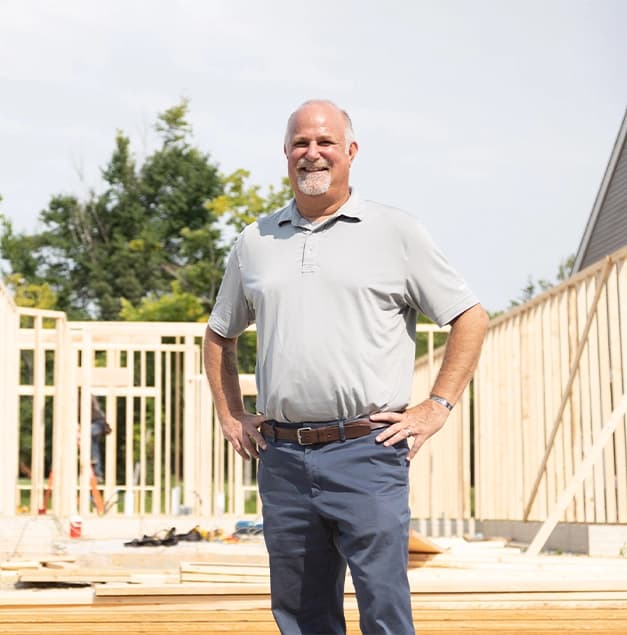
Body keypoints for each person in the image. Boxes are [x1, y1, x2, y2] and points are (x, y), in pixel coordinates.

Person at [204, 99, 489, 635]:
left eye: (325, 142)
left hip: (367, 452)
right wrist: (230, 413)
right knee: (302, 612)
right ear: (286, 154)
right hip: (283, 457)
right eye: (301, 144)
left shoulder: (396, 233)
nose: (313, 153)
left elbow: (470, 318)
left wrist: (437, 405)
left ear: (351, 151)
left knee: (383, 605)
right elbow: (219, 334)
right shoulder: (254, 241)